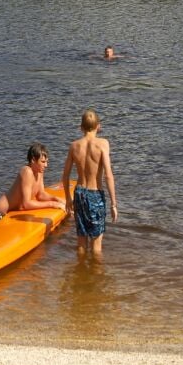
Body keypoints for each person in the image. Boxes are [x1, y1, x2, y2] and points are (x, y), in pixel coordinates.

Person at [62, 110, 118, 258]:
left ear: (81, 127)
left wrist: (68, 198)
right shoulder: (103, 144)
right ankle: (95, 277)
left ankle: (80, 273)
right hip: (95, 196)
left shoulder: (74, 146)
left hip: (79, 193)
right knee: (96, 247)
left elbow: (65, 175)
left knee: (81, 243)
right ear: (98, 126)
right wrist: (113, 204)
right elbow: (108, 175)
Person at [0, 143, 67, 221]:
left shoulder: (39, 171)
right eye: (43, 162)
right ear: (33, 160)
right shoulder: (27, 171)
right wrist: (52, 204)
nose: (46, 165)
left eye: (46, 162)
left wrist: (56, 199)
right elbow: (26, 204)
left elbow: (41, 195)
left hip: (13, 212)